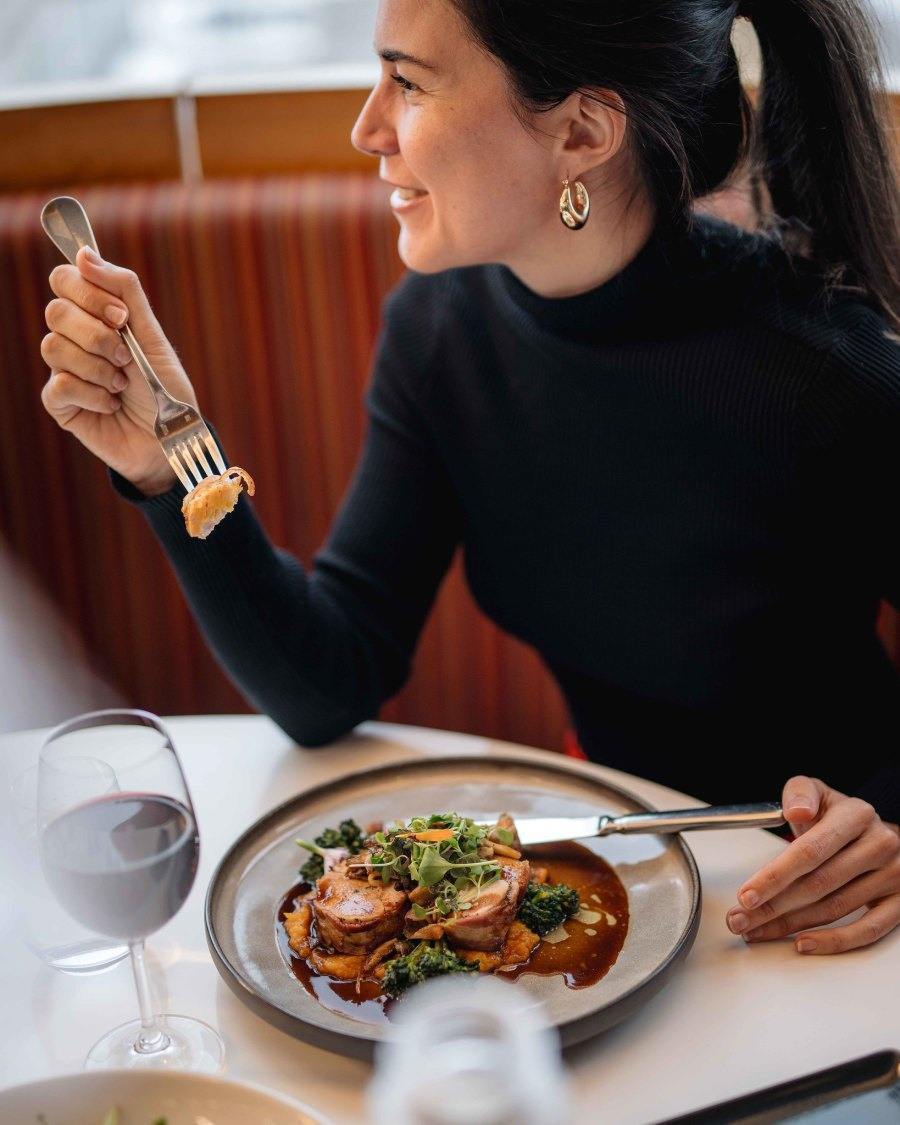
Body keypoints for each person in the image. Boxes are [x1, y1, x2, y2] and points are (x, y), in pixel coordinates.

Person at [39, 0, 899, 953]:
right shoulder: (442, 329)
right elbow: (329, 680)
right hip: (620, 886)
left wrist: (896, 827)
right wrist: (171, 461)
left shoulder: (829, 373)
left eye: (408, 82)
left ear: (581, 132)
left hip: (830, 909)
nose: (366, 128)